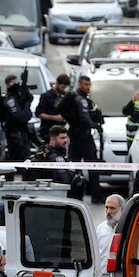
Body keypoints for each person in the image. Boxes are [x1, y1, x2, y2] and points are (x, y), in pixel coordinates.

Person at [58, 76, 105, 204]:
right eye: (85, 84)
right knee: (92, 167)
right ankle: (96, 196)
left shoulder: (74, 98)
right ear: (79, 85)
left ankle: (74, 195)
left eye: (89, 85)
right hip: (84, 137)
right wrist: (96, 125)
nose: (88, 87)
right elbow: (85, 119)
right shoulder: (81, 99)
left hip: (74, 136)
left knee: (74, 167)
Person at [0, 73, 35, 161]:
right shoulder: (10, 100)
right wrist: (26, 105)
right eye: (13, 83)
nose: (16, 85)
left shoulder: (18, 98)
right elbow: (21, 117)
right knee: (18, 157)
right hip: (14, 134)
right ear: (7, 85)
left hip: (23, 133)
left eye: (17, 83)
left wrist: (26, 96)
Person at [35, 74, 70, 142]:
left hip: (61, 129)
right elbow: (39, 114)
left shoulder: (64, 96)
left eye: (65, 87)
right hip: (48, 129)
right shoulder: (46, 96)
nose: (63, 89)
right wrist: (54, 117)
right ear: (57, 83)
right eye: (62, 87)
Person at [96, 194, 122, 267]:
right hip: (102, 272)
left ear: (122, 209)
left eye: (112, 208)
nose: (108, 211)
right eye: (106, 207)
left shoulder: (128, 229)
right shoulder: (101, 228)